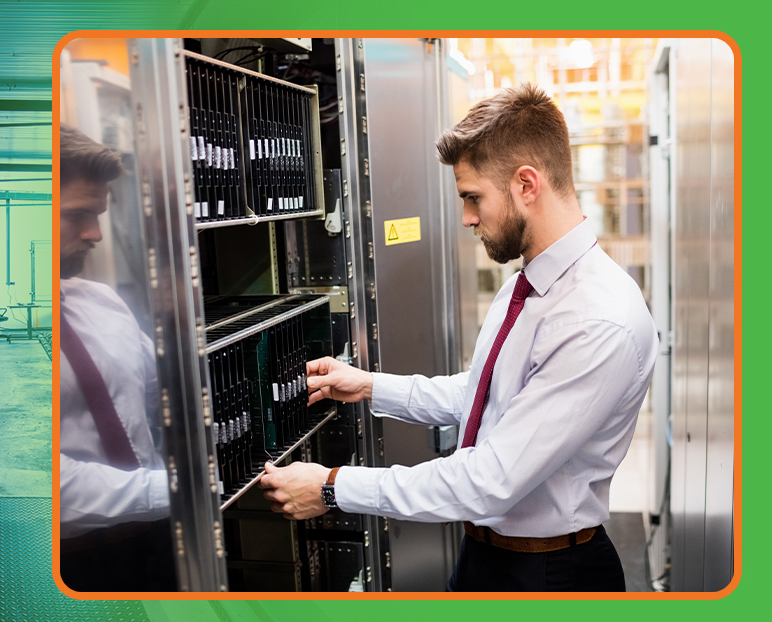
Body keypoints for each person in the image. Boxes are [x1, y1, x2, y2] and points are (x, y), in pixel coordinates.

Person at [259, 84, 657, 592]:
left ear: (526, 185)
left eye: (473, 197)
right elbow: (487, 397)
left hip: (550, 576)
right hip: (484, 557)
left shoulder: (595, 319)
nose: (467, 217)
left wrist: (335, 488)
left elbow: (488, 480)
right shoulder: (526, 285)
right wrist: (369, 386)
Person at [57, 124, 175, 592]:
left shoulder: (100, 302)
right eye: (79, 215)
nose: (96, 234)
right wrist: (180, 491)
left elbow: (157, 396)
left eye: (99, 214)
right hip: (74, 566)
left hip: (154, 541)